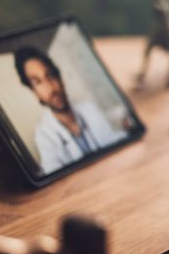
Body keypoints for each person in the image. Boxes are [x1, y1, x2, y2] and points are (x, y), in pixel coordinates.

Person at [14, 46, 127, 174]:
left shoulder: (89, 109)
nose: (51, 88)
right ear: (35, 93)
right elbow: (54, 174)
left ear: (60, 79)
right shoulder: (43, 136)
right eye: (37, 82)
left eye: (50, 75)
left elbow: (112, 140)